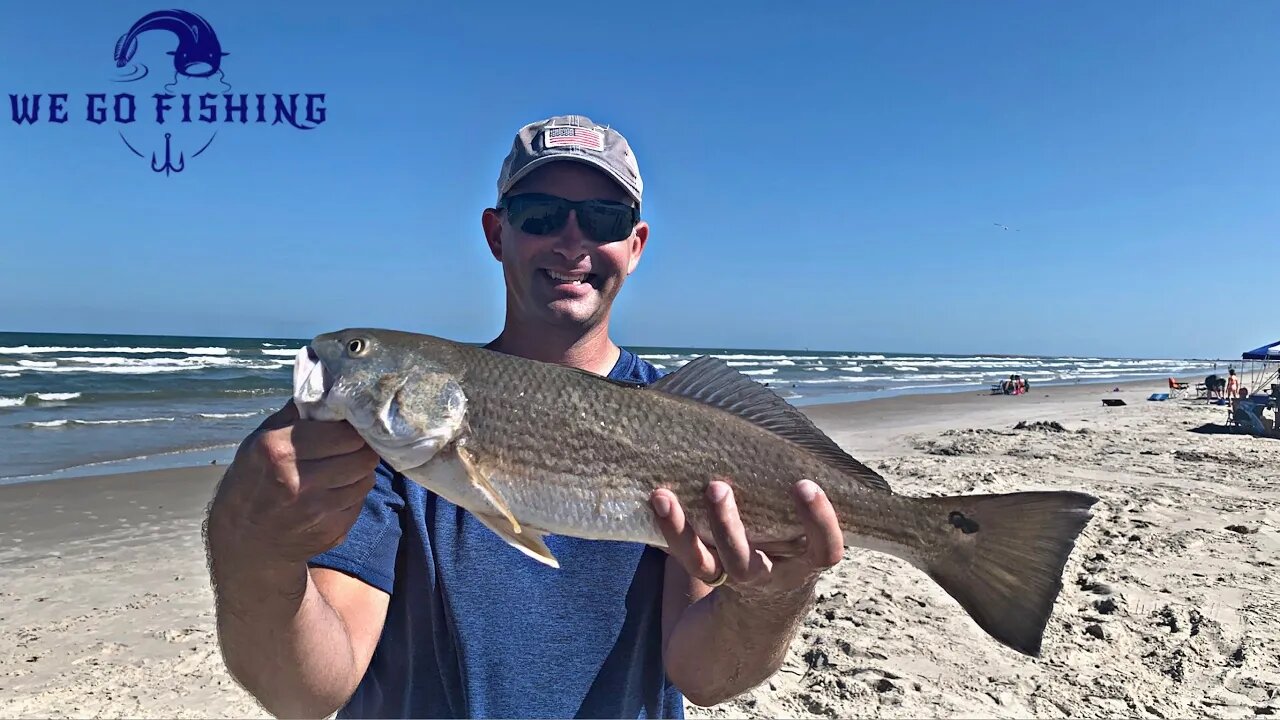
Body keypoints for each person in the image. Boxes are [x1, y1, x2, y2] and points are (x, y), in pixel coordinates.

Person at [202, 114, 847, 719]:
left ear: (636, 244)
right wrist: (251, 547)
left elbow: (706, 678)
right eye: (540, 214)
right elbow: (305, 692)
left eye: (604, 217)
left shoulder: (688, 425)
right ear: (496, 232)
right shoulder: (372, 449)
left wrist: (771, 594)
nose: (572, 240)